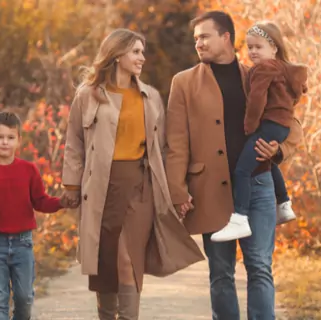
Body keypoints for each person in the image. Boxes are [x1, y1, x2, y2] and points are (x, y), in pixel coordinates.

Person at [165, 11, 304, 320]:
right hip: (208, 189)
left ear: (226, 37)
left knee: (259, 267)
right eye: (195, 39)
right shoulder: (183, 83)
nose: (198, 43)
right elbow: (176, 143)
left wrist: (279, 150)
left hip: (258, 185)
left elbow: (290, 121)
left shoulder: (258, 74)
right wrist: (177, 190)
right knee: (221, 272)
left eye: (204, 36)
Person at [61, 28, 203, 320]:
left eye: (142, 51)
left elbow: (162, 149)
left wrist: (176, 190)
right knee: (105, 262)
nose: (142, 58)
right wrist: (71, 185)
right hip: (101, 187)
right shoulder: (87, 96)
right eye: (136, 52)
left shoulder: (150, 97)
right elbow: (74, 142)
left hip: (140, 188)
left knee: (128, 260)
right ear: (117, 54)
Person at [0, 111, 69, 320]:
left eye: (10, 138)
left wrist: (61, 202)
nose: (5, 143)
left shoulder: (28, 171)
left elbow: (40, 201)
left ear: (19, 140)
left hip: (23, 244)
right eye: (0, 137)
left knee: (24, 298)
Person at [211, 21, 307, 242]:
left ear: (274, 48)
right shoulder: (283, 69)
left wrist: (250, 127)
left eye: (258, 47)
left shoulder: (263, 69)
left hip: (269, 124)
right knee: (266, 161)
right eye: (250, 47)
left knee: (242, 171)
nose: (253, 52)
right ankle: (284, 204)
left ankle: (240, 218)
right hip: (280, 125)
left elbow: (256, 100)